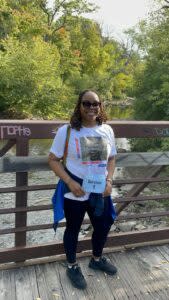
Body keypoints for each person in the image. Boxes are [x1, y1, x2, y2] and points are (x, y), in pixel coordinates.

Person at [48, 90, 117, 290]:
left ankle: (96, 259)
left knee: (103, 226)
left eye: (95, 103)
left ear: (100, 105)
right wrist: (69, 181)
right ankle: (72, 265)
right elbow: (52, 160)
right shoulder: (67, 131)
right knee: (73, 229)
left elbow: (111, 158)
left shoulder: (107, 130)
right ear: (79, 106)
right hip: (75, 190)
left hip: (100, 190)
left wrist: (110, 180)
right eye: (86, 104)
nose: (91, 107)